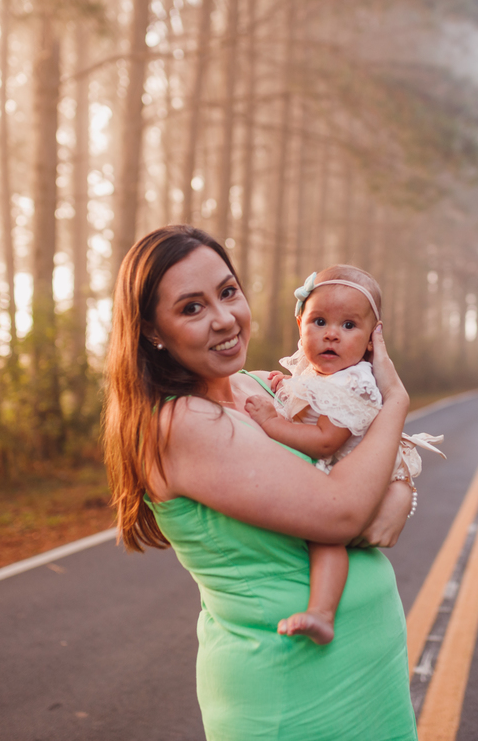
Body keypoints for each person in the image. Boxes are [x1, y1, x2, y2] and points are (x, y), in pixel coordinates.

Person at [104, 225, 418, 740]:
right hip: (293, 696)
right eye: (191, 308)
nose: (225, 319)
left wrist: (401, 491)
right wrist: (398, 403)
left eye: (228, 292)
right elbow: (342, 510)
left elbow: (358, 444)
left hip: (370, 678)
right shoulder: (180, 424)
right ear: (151, 331)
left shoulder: (254, 386)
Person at [243, 266, 443, 646]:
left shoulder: (356, 382)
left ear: (372, 339)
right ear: (300, 323)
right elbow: (311, 395)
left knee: (325, 537)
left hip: (358, 478)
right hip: (343, 473)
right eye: (319, 321)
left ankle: (321, 611)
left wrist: (271, 422)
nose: (331, 333)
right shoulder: (321, 372)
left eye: (349, 325)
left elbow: (324, 441)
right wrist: (286, 386)